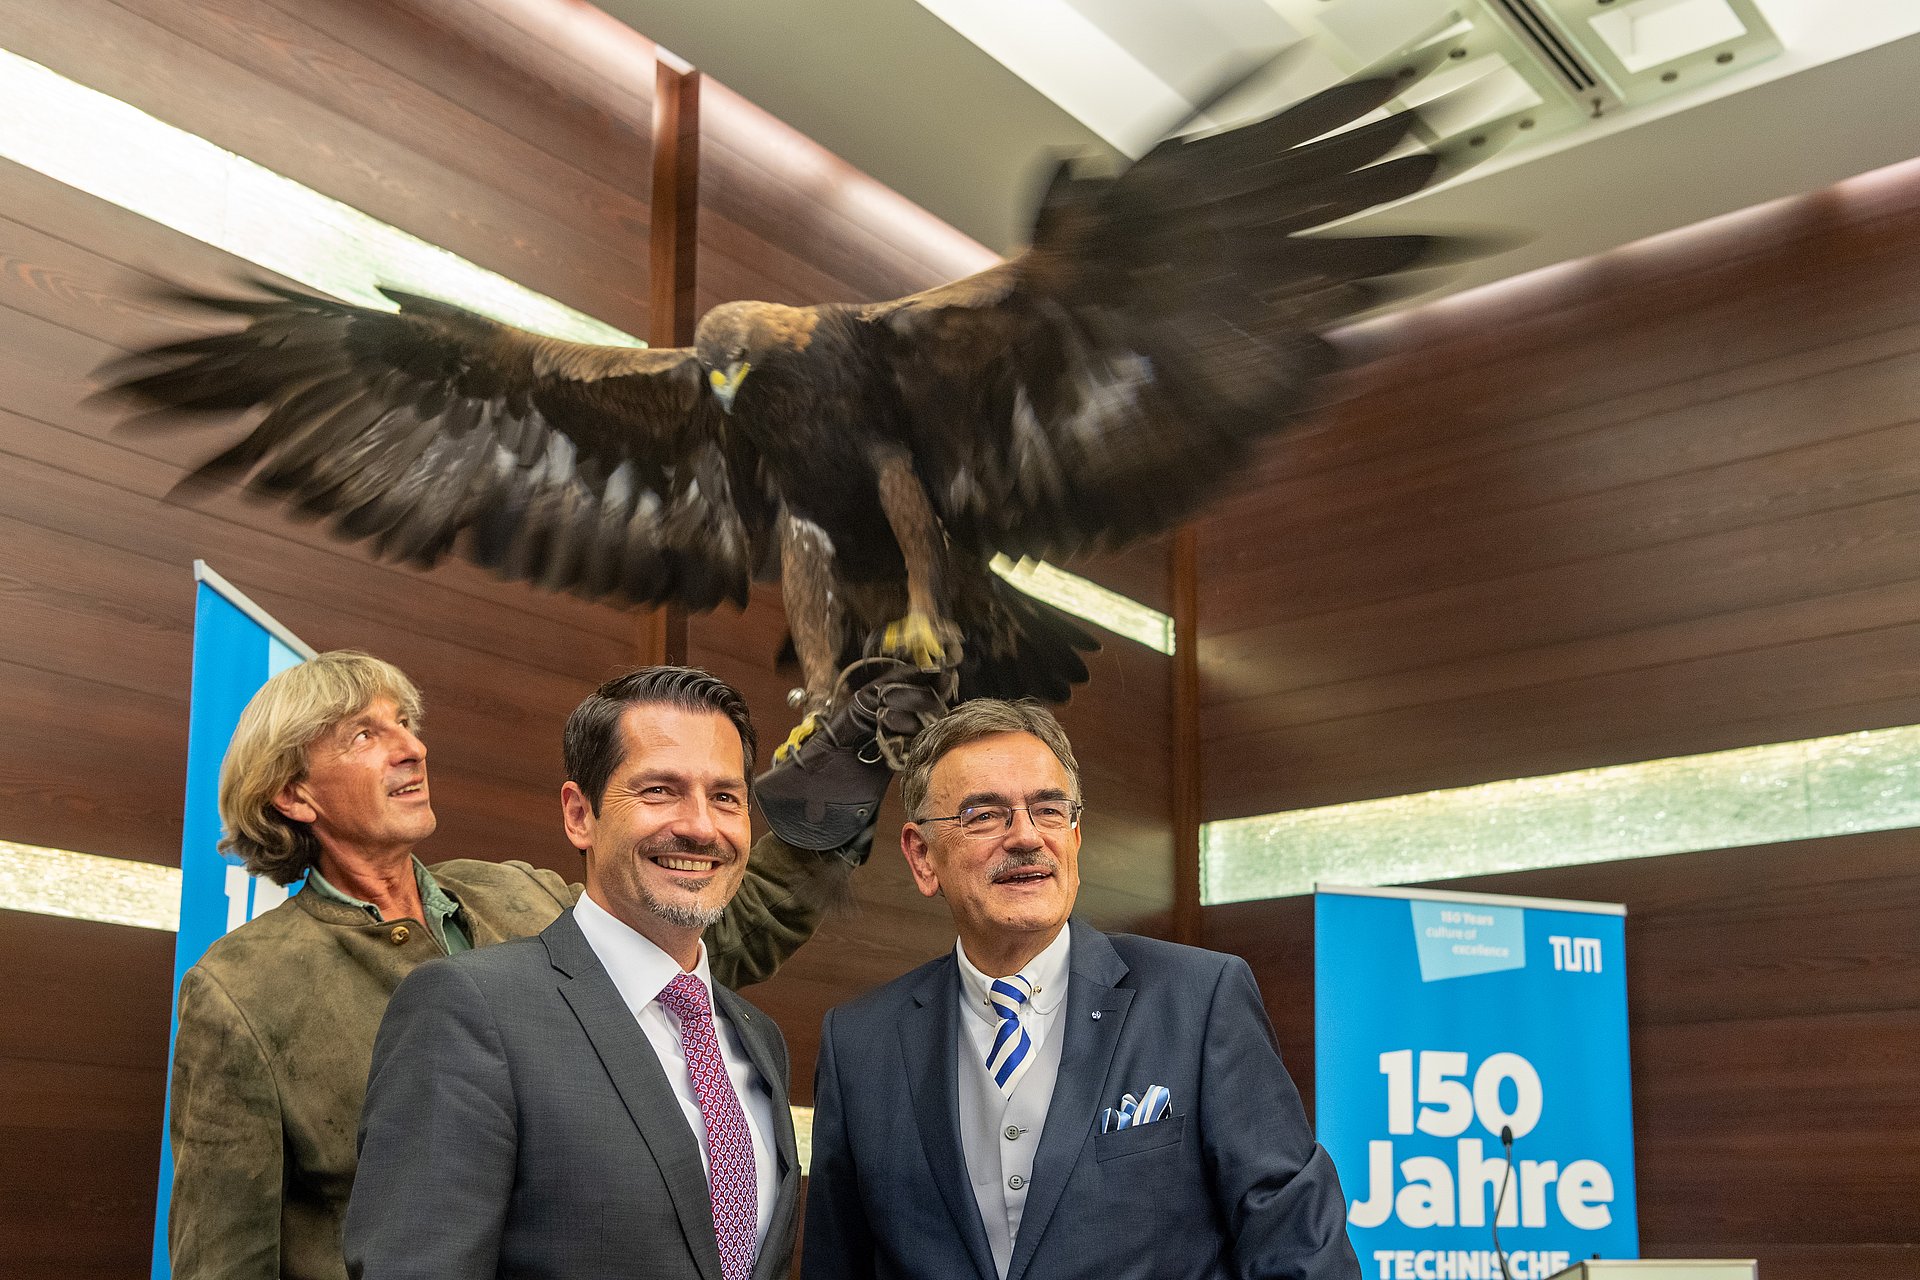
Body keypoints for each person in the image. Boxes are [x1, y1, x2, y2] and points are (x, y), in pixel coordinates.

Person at [167, 650, 929, 1280]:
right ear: (293, 792)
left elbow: (723, 929)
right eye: (364, 735)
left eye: (406, 723)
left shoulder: (518, 891)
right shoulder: (241, 989)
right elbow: (224, 1259)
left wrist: (839, 779)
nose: (411, 746)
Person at [802, 699, 1362, 1280]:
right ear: (922, 857)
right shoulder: (859, 1044)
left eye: (1048, 810)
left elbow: (1300, 1247)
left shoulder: (1200, 1001)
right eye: (984, 815)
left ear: (1075, 837)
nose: (1025, 837)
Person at [344, 667, 802, 1280]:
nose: (700, 826)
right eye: (659, 791)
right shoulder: (471, 1010)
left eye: (726, 797)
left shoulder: (758, 1039)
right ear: (580, 814)